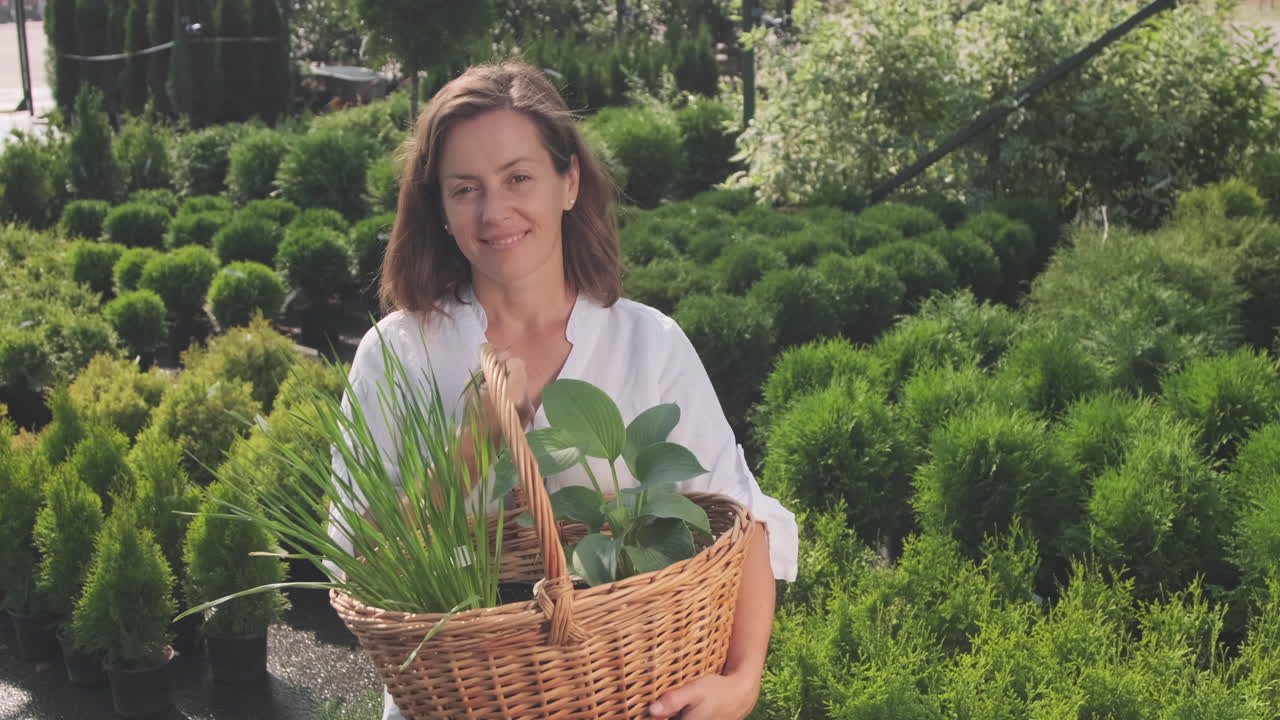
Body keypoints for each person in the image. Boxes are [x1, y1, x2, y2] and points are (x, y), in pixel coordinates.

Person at [333, 61, 798, 720]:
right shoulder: (399, 356)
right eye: (465, 189)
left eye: (518, 178)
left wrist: (742, 682)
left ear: (569, 181)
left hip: (628, 700)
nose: (495, 213)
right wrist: (474, 444)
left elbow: (742, 524)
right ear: (437, 206)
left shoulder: (648, 345)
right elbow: (363, 565)